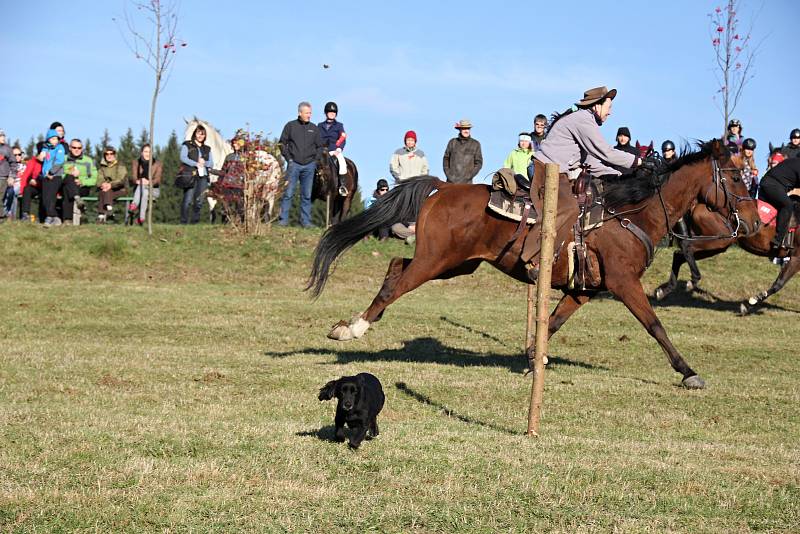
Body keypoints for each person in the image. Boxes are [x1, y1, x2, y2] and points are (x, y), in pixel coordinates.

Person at [278, 101, 322, 227]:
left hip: (309, 166)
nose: (309, 115)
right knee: (288, 193)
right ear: (300, 113)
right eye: (307, 113)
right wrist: (289, 159)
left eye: (310, 113)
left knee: (307, 195)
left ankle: (305, 222)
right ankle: (283, 221)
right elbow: (282, 143)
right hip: (294, 165)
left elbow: (320, 146)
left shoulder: (314, 128)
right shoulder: (290, 126)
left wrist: (315, 160)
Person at [758, 156, 800, 256]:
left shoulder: (794, 160)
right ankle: (779, 239)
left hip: (770, 184)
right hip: (772, 185)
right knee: (787, 205)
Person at [178, 124, 214, 225]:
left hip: (203, 177)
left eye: (203, 134)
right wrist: (196, 163)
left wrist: (204, 163)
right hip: (190, 175)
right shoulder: (187, 145)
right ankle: (183, 222)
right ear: (195, 134)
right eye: (199, 133)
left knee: (199, 201)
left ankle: (195, 222)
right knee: (188, 200)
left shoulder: (207, 148)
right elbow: (183, 158)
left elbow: (211, 163)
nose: (200, 136)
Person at [62, 138, 97, 224]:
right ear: (70, 148)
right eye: (74, 147)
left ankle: (67, 219)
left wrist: (82, 181)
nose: (77, 150)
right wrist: (70, 174)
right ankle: (77, 198)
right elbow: (58, 174)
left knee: (68, 190)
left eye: (79, 148)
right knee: (69, 181)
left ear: (82, 148)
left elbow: (93, 179)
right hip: (67, 184)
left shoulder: (88, 161)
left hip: (82, 187)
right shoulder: (63, 159)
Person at [318, 101, 349, 196]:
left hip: (334, 150)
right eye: (330, 112)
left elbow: (343, 138)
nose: (332, 114)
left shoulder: (339, 126)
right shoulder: (319, 125)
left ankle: (342, 186)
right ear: (326, 113)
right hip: (322, 151)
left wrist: (339, 149)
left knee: (342, 162)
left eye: (333, 112)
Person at [39, 128, 67, 226]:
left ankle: (50, 217)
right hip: (46, 176)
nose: (55, 141)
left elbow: (59, 162)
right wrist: (40, 156)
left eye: (56, 139)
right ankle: (54, 217)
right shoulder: (46, 149)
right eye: (53, 139)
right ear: (48, 140)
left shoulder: (60, 148)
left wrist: (51, 173)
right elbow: (42, 159)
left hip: (55, 176)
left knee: (51, 197)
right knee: (45, 198)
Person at [130, 144, 162, 225]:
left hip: (153, 189)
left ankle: (134, 204)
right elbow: (133, 177)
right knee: (144, 192)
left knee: (144, 188)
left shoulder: (157, 164)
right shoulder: (136, 163)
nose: (147, 154)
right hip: (139, 189)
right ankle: (141, 218)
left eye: (149, 152)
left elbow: (158, 180)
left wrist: (148, 182)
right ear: (141, 152)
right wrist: (139, 180)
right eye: (145, 151)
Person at [442, 119, 483, 184]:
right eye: (464, 128)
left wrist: (469, 176)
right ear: (460, 129)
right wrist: (449, 176)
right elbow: (446, 159)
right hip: (451, 182)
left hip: (467, 184)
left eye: (468, 128)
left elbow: (478, 163)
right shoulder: (452, 142)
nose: (466, 130)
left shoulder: (475, 144)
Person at [96, 146, 128, 223]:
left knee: (105, 191)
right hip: (106, 189)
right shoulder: (102, 167)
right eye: (107, 154)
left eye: (111, 153)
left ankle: (101, 215)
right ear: (104, 156)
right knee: (103, 191)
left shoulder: (120, 165)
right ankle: (109, 210)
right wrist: (103, 184)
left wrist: (110, 185)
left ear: (115, 155)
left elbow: (121, 179)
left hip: (120, 189)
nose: (109, 155)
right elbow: (99, 179)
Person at [18, 151, 42, 222]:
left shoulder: (49, 162)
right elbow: (26, 176)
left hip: (45, 186)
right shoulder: (32, 162)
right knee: (27, 189)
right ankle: (25, 214)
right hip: (35, 187)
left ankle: (42, 216)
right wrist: (22, 190)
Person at [3, 147, 25, 219]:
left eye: (19, 154)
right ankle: (11, 216)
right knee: (10, 192)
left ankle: (8, 214)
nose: (17, 156)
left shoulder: (25, 166)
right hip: (9, 185)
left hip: (21, 186)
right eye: (15, 155)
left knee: (12, 191)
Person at [0, 130, 16, 218]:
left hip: (3, 177)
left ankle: (1, 216)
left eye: (4, 136)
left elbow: (13, 163)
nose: (3, 138)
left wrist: (12, 176)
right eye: (1, 136)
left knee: (0, 197)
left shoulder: (7, 149)